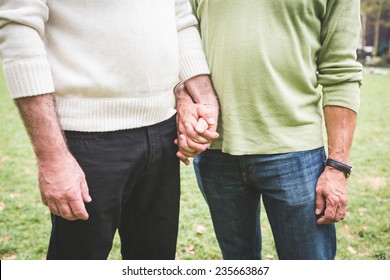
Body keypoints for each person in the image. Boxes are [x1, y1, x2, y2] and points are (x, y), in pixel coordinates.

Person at [0, 0, 217, 260]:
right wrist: (52, 157)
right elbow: (18, 26)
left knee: (155, 262)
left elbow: (180, 17)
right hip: (88, 139)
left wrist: (202, 97)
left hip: (163, 132)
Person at [176, 0, 363, 260]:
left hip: (296, 154)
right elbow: (181, 34)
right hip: (217, 150)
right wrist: (183, 95)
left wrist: (337, 166)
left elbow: (340, 69)